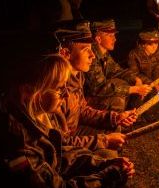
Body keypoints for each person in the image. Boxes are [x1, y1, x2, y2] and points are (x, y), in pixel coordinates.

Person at [0, 54, 135, 187]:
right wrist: (105, 178)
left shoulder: (42, 113)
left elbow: (61, 154)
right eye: (59, 88)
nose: (66, 93)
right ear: (30, 92)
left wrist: (103, 164)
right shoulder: (22, 146)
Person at [55, 21, 138, 151]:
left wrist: (115, 117)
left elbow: (81, 110)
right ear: (65, 53)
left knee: (114, 127)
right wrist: (104, 141)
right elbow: (59, 144)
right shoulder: (55, 89)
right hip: (64, 146)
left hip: (73, 131)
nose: (92, 55)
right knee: (107, 152)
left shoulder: (77, 76)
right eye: (86, 50)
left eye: (91, 49)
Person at [84, 19, 152, 112]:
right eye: (110, 35)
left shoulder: (104, 54)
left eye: (114, 35)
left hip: (96, 95)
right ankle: (114, 123)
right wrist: (133, 89)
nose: (115, 39)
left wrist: (135, 79)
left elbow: (118, 71)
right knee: (118, 98)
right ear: (98, 39)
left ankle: (130, 117)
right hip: (86, 99)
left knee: (126, 84)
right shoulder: (91, 56)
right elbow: (99, 87)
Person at [127, 28, 159, 121]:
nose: (154, 46)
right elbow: (134, 73)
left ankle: (152, 114)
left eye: (156, 43)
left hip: (154, 81)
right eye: (150, 44)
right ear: (143, 44)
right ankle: (135, 116)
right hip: (139, 82)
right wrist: (152, 83)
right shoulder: (134, 54)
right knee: (143, 91)